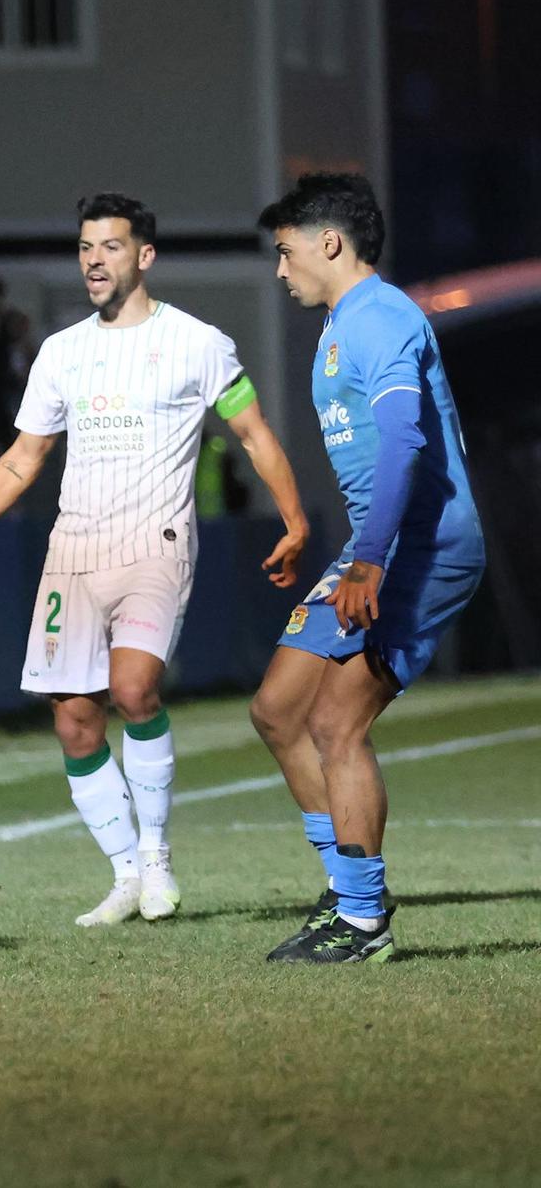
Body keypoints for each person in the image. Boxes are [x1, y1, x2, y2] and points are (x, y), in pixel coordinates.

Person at [0, 193, 310, 927]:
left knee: (133, 689)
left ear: (144, 256)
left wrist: (294, 518)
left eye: (110, 246)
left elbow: (252, 433)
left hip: (155, 543)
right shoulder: (62, 353)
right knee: (74, 724)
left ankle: (154, 853)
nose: (94, 259)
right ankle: (124, 875)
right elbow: (24, 459)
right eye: (86, 247)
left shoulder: (198, 342)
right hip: (74, 553)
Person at [245, 174, 485, 964]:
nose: (281, 272)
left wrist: (371, 561)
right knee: (279, 710)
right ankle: (348, 892)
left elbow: (407, 443)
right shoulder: (344, 323)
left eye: (286, 253)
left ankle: (362, 923)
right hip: (375, 545)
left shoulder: (381, 317)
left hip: (421, 548)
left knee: (334, 724)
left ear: (329, 243)